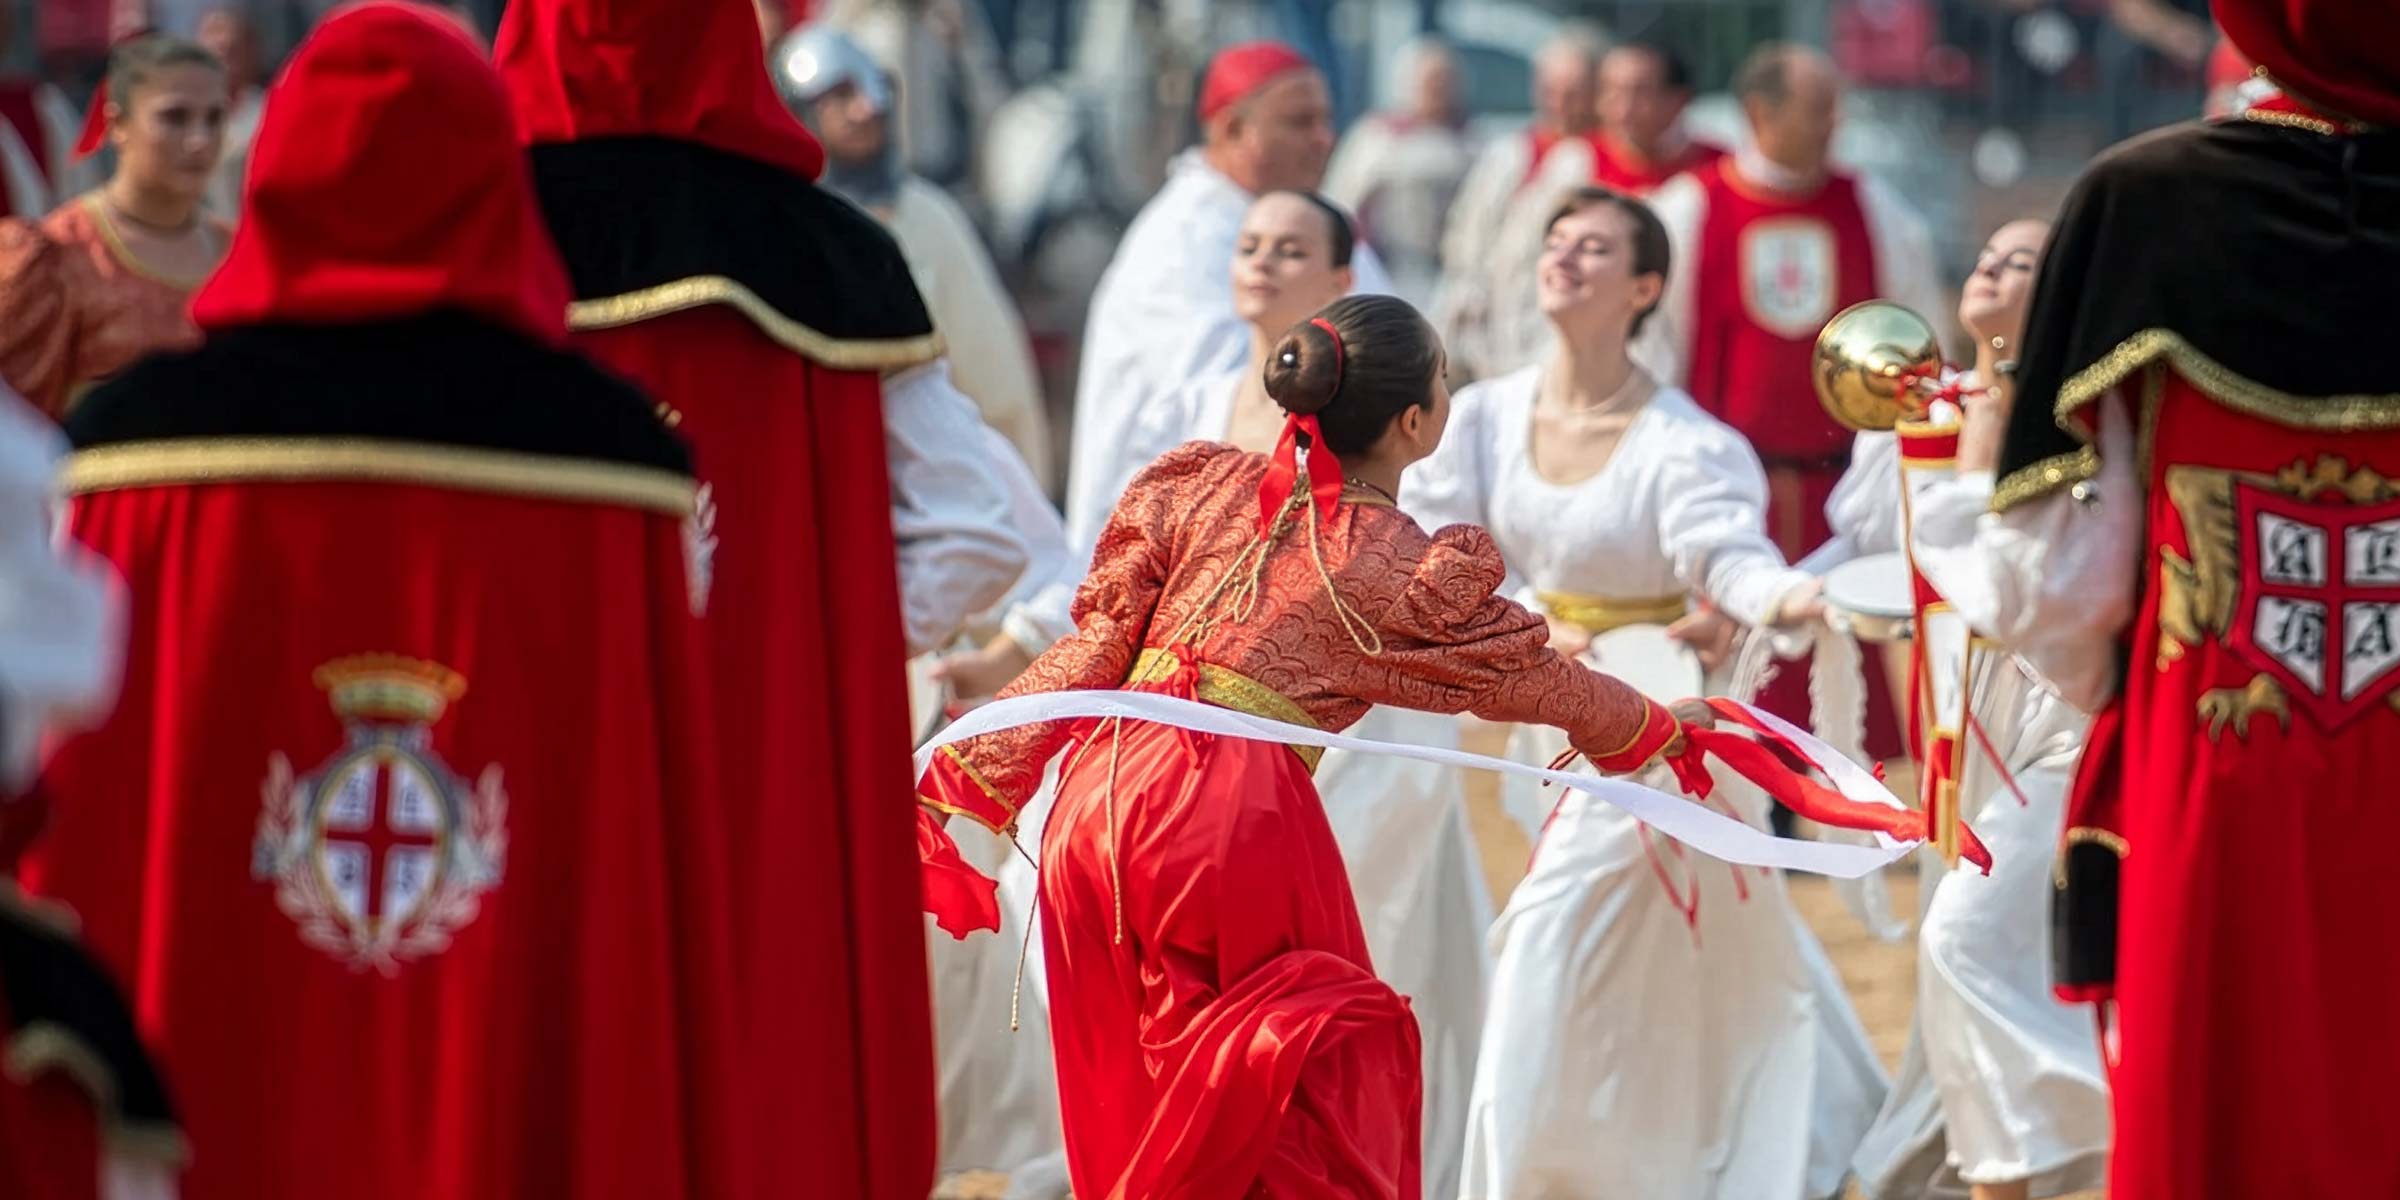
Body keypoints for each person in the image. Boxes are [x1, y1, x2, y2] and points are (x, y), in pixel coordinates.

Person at [24, 7, 739, 1197]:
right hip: (507, 1085)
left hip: (210, 1084)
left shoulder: (131, 455)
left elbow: (70, 802)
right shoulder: (617, 470)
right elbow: (633, 876)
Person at [923, 291, 1713, 1199]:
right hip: (1221, 814)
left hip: (1095, 796)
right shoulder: (1392, 562)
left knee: (1164, 1087)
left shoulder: (1198, 487)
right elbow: (1533, 681)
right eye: (1446, 381)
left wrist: (975, 769)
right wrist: (1652, 725)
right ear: (1416, 422)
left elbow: (1095, 645)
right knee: (1289, 1086)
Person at [495, 1, 1027, 1196]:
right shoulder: (829, 255)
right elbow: (985, 532)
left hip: (528, 739)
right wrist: (818, 647)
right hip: (764, 752)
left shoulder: (470, 238)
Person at [1953, 3, 2400, 1194]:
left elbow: (2052, 589)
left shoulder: (2147, 204)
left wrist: (2118, 696)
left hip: (2218, 768)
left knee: (2227, 1116)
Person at [1408, 187, 1888, 1200]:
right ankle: (1801, 1123)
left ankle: (1525, 1168)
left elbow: (1727, 555)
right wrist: (1536, 617)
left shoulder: (1685, 439)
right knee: (1709, 944)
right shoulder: (1484, 417)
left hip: (1661, 734)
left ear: (1645, 287)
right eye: (1556, 241)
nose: (1565, 258)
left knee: (1552, 935)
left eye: (1594, 248)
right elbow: (1440, 551)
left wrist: (1792, 595)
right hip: (1540, 713)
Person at [1105, 190, 1492, 1200]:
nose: (1263, 265)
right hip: (1202, 751)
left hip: (1360, 734)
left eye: (1290, 249)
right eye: (1249, 246)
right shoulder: (1189, 401)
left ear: (1340, 275)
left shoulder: (1395, 393)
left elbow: (1417, 566)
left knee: (1343, 971)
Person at [1831, 221, 2111, 1200]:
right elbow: (1865, 542)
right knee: (1974, 962)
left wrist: (1973, 473)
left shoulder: (2089, 412)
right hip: (1960, 730)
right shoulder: (1928, 404)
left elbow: (2020, 584)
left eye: (2024, 260)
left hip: (2061, 718)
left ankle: (2065, 1152)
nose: (1989, 265)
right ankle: (2001, 1167)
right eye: (1986, 252)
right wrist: (1766, 597)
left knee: (1966, 939)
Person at [1638, 43, 1942, 757]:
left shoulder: (1872, 206)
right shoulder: (1690, 209)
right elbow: (1658, 350)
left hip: (1840, 489)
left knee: (1841, 667)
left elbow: (1916, 326)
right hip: (1731, 486)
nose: (1833, 123)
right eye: (1817, 109)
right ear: (1760, 112)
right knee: (1738, 662)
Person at [1062, 39, 1393, 547]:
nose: (1324, 139)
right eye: (1299, 122)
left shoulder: (1314, 216)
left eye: (1326, 121)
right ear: (1232, 129)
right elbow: (1216, 409)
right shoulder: (1180, 240)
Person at [774, 22, 1054, 488]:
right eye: (839, 95)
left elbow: (997, 383)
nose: (866, 108)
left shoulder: (928, 217)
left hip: (932, 489)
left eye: (870, 89)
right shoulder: (780, 225)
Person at [0, 33, 228, 418]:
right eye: (175, 117)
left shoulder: (240, 250)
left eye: (215, 118)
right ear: (118, 123)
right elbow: (20, 433)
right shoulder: (55, 257)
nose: (199, 140)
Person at [1432, 29, 1603, 381]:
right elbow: (1462, 230)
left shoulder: (1598, 161)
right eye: (1550, 90)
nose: (1560, 103)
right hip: (1476, 328)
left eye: (1573, 93)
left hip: (1545, 333)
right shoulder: (1507, 151)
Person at [1320, 37, 1475, 310]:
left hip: (1446, 274)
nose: (1439, 91)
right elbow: (1344, 199)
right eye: (1431, 82)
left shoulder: (1471, 144)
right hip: (1386, 265)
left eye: (1445, 82)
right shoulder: (1376, 137)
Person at [1591, 41, 1723, 194]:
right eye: (1612, 92)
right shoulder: (1580, 162)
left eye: (1640, 93)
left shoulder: (1721, 172)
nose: (1623, 110)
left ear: (1679, 100)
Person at [195, 8, 264, 223]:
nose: (224, 60)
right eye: (217, 50)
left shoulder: (267, 111)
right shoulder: (177, 117)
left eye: (232, 50)